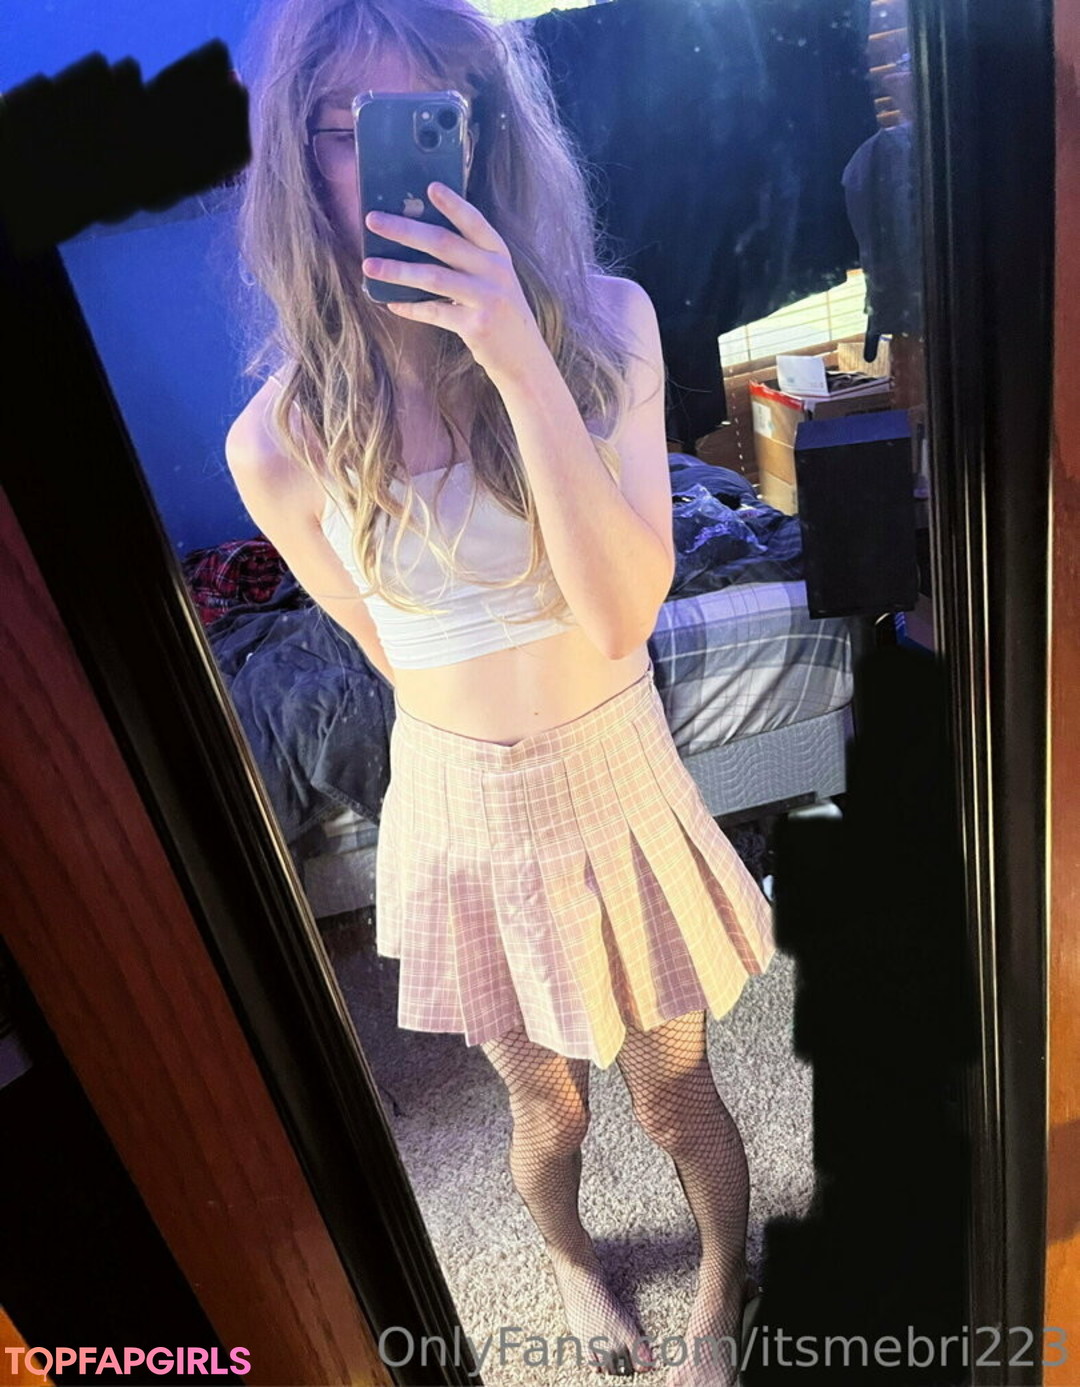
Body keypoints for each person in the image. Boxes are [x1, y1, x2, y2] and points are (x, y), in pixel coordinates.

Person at [226, 0, 775, 1379]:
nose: (395, 162)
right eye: (349, 129)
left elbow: (619, 614)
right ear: (299, 160)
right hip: (463, 817)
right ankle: (576, 1267)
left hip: (618, 777)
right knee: (548, 1115)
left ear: (484, 130)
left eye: (431, 118)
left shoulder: (608, 327)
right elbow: (390, 652)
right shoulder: (278, 440)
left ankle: (720, 1296)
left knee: (675, 1090)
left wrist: (519, 357)